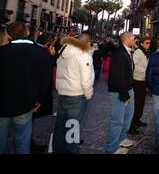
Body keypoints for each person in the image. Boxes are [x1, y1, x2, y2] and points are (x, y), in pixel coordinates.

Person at [0, 22, 49, 154]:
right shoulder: (40, 53)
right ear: (27, 32)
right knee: (22, 142)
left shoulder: (3, 51)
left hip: (3, 104)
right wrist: (39, 100)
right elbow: (45, 80)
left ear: (9, 35)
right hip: (25, 104)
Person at [53, 33, 94, 154]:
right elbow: (86, 80)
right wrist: (88, 94)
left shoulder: (63, 52)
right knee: (73, 128)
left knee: (60, 127)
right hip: (77, 95)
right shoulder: (83, 55)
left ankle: (58, 150)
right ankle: (71, 151)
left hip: (63, 93)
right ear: (87, 43)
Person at [105, 32, 136, 154]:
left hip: (128, 89)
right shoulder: (118, 53)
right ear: (127, 39)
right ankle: (111, 149)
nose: (135, 40)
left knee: (128, 117)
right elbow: (117, 76)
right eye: (133, 38)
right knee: (117, 121)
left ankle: (122, 139)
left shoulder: (127, 51)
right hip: (120, 92)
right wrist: (124, 95)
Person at [129, 37, 151, 135]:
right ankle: (132, 125)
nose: (148, 44)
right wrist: (147, 71)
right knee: (137, 103)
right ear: (141, 43)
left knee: (141, 103)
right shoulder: (138, 52)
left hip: (143, 80)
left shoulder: (145, 52)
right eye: (147, 43)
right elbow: (136, 67)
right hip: (138, 80)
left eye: (149, 43)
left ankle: (137, 120)